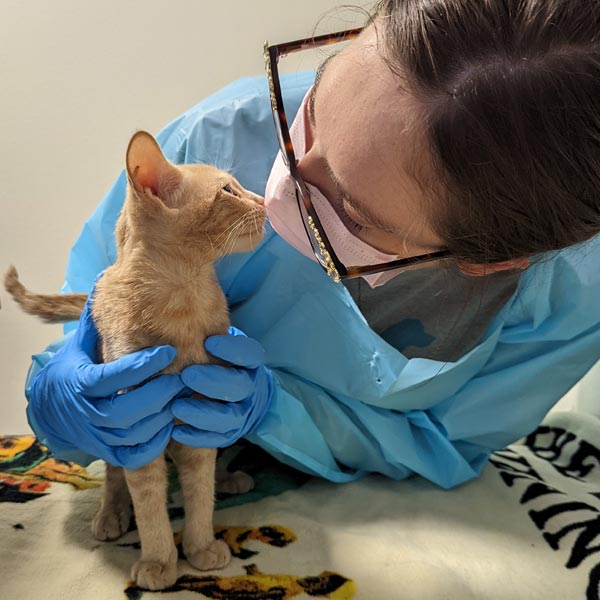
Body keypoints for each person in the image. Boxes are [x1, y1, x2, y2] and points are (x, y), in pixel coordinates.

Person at [24, 0, 600, 488]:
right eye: (315, 108)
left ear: (484, 261)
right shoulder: (220, 138)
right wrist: (69, 398)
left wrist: (272, 410)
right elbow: (95, 318)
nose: (274, 189)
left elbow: (446, 442)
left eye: (349, 208)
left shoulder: (576, 292)